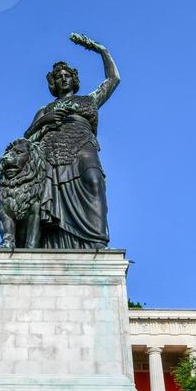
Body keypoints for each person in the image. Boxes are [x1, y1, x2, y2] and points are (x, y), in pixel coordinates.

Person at [24, 33, 120, 249]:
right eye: (59, 76)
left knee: (94, 180)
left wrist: (101, 50)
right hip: (52, 151)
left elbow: (114, 79)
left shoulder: (90, 100)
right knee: (51, 197)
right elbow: (26, 141)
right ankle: (57, 241)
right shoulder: (44, 109)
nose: (63, 78)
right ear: (53, 83)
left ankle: (97, 242)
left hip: (83, 144)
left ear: (74, 79)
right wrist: (42, 122)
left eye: (67, 75)